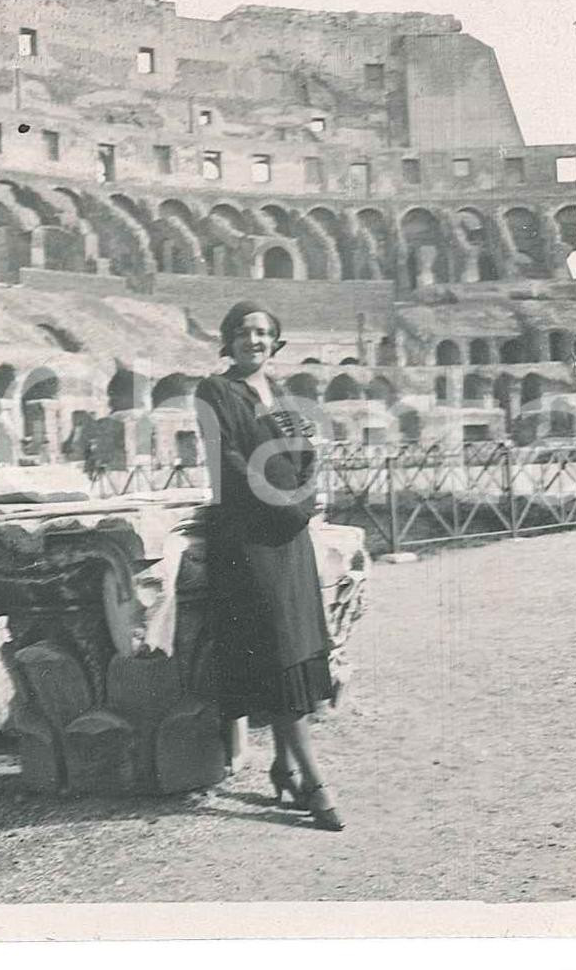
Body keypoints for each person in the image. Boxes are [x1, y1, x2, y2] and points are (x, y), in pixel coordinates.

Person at [195, 300, 344, 831]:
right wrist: (283, 504)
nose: (252, 340)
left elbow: (303, 452)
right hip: (248, 536)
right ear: (228, 341)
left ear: (275, 342)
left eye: (262, 333)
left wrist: (304, 495)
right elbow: (228, 461)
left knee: (295, 649)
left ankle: (284, 766)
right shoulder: (215, 391)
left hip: (291, 534)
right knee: (278, 649)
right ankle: (316, 780)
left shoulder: (280, 393)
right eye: (242, 332)